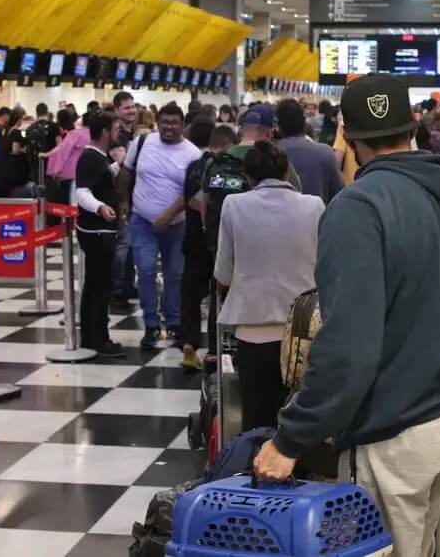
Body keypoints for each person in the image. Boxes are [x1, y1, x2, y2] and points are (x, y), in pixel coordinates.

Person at [254, 75, 440, 555]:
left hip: (389, 429)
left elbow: (349, 348)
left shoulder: (357, 208)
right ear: (414, 125)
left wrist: (290, 439)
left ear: (346, 136)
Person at [215, 141, 325, 429]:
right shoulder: (314, 206)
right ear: (287, 172)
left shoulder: (234, 205)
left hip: (253, 331)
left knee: (256, 418)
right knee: (299, 420)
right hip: (304, 332)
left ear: (248, 177)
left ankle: (257, 470)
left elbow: (223, 274)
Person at [119, 102, 201, 349]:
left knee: (174, 274)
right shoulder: (142, 143)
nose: (169, 127)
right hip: (141, 221)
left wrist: (168, 215)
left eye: (174, 123)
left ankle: (174, 322)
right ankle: (151, 325)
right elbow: (126, 171)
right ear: (158, 122)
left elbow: (191, 192)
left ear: (182, 125)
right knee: (144, 271)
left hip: (176, 224)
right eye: (164, 122)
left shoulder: (192, 154)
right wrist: (124, 200)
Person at [179, 123, 235, 369]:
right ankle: (214, 350)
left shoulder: (193, 167)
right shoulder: (229, 168)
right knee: (217, 293)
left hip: (193, 238)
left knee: (190, 293)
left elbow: (188, 200)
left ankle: (188, 343)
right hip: (216, 241)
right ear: (227, 145)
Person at [73, 112, 126, 358]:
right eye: (115, 127)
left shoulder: (97, 159)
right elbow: (82, 192)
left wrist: (117, 165)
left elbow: (99, 181)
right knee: (100, 285)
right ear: (105, 131)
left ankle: (91, 337)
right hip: (96, 231)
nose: (118, 132)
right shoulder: (90, 158)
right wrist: (101, 208)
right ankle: (98, 339)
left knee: (95, 284)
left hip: (99, 230)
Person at [275, 99, 343, 204]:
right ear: (304, 122)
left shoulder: (271, 153)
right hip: (317, 218)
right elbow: (338, 194)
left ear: (278, 126)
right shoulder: (325, 153)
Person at [111, 91, 140, 311]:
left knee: (131, 244)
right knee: (122, 244)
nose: (131, 111)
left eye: (133, 107)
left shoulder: (135, 134)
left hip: (134, 193)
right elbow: (123, 163)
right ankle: (117, 289)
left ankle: (128, 284)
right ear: (117, 110)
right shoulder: (116, 135)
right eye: (126, 107)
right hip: (119, 195)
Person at [0, 107, 32, 198]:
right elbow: (15, 150)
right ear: (19, 119)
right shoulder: (17, 131)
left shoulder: (6, 130)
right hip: (14, 169)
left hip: (2, 167)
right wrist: (24, 150)